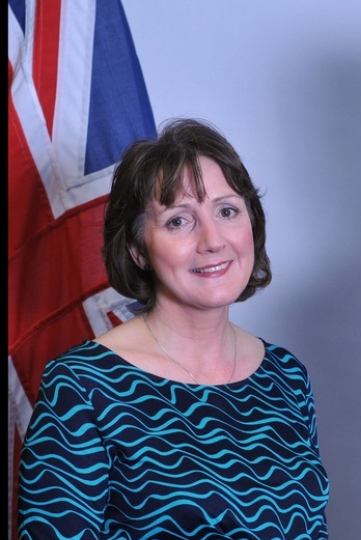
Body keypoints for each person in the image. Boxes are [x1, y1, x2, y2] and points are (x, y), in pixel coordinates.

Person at [17, 118, 330, 539]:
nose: (212, 240)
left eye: (226, 211)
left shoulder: (287, 378)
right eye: (178, 221)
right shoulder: (82, 387)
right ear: (138, 249)